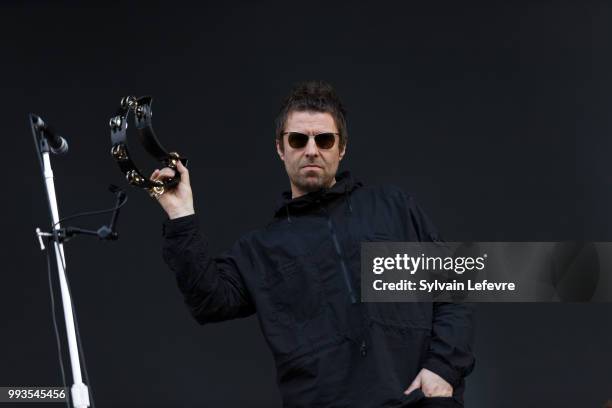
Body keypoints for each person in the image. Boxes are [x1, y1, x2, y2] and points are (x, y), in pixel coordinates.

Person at [151, 80, 475, 407]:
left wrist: (443, 369)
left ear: (342, 147)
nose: (311, 150)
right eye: (297, 139)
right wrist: (181, 215)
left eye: (324, 139)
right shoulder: (261, 250)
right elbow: (209, 300)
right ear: (280, 148)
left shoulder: (392, 208)